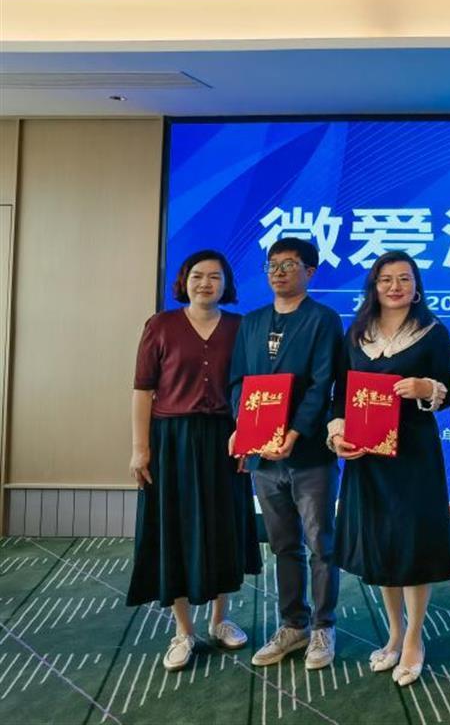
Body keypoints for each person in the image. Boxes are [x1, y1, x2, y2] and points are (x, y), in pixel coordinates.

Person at [127, 250, 261, 671]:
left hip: (226, 438)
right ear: (184, 281)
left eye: (215, 277)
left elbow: (252, 389)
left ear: (226, 284)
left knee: (224, 526)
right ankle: (182, 630)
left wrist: (249, 439)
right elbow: (143, 390)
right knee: (175, 528)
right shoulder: (160, 325)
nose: (206, 283)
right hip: (172, 440)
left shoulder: (240, 327)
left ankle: (221, 620)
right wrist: (140, 448)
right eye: (198, 276)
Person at [329, 251, 450, 686]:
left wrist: (425, 388)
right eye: (386, 279)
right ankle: (395, 633)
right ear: (374, 285)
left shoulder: (433, 332)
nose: (395, 286)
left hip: (414, 457)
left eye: (404, 278)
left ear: (416, 286)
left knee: (412, 544)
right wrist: (337, 435)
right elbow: (340, 395)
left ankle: (415, 638)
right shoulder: (356, 333)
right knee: (382, 544)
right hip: (369, 456)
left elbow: (449, 392)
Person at [228, 238, 343, 671]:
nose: (278, 272)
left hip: (309, 453)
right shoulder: (253, 322)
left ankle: (324, 626)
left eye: (289, 264)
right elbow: (238, 381)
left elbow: (323, 384)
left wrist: (294, 431)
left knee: (320, 544)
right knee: (283, 545)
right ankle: (293, 624)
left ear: (310, 272)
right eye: (272, 265)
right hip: (264, 457)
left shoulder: (323, 319)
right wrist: (245, 428)